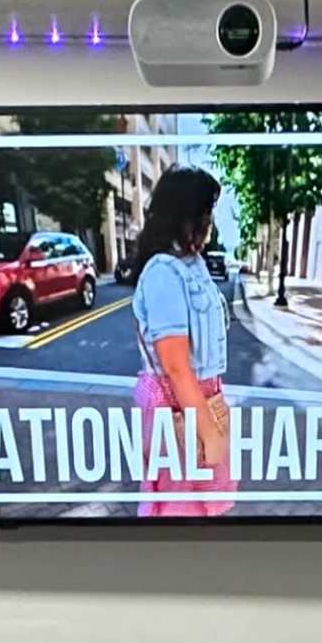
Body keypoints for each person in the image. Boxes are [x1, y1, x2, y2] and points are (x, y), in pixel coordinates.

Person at [123, 162, 234, 518]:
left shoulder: (190, 263)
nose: (210, 224)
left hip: (198, 403)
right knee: (181, 512)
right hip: (180, 407)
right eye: (205, 213)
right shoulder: (163, 272)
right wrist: (210, 432)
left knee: (197, 509)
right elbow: (174, 366)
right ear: (186, 216)